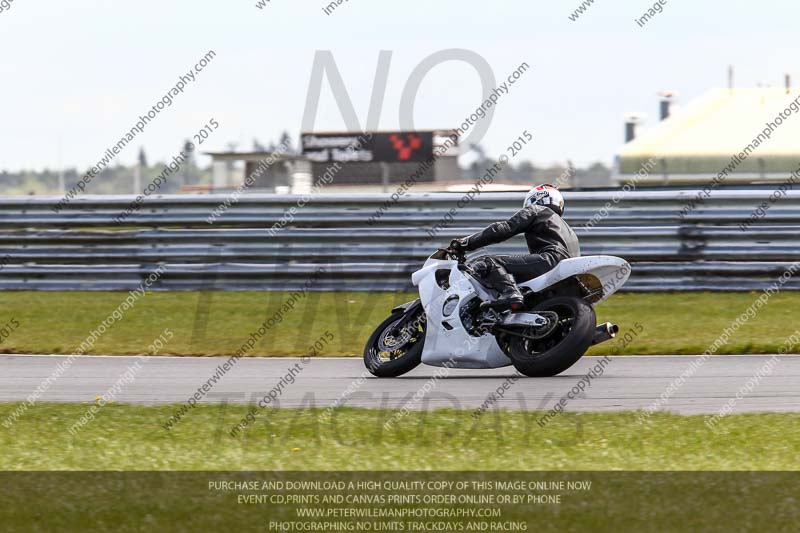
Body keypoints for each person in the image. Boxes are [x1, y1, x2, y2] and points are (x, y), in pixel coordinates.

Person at [449, 184, 580, 310]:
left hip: (550, 261)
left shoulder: (537, 210)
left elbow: (503, 229)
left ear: (536, 198)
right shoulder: (570, 230)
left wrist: (466, 243)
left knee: (489, 262)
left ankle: (511, 293)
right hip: (569, 275)